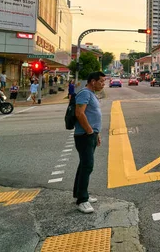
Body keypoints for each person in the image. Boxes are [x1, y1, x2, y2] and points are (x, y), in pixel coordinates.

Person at [73, 71, 105, 214]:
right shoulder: (84, 93)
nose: (103, 84)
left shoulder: (91, 94)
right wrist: (90, 131)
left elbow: (92, 115)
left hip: (90, 134)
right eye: (101, 82)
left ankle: (80, 193)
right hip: (84, 135)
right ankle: (82, 200)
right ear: (93, 81)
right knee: (87, 166)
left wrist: (95, 134)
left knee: (84, 165)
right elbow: (79, 113)